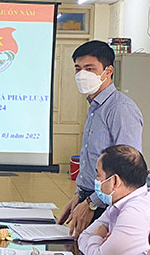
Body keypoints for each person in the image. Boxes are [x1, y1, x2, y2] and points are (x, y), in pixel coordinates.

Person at [57, 40, 143, 238]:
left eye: (89, 68)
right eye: (78, 69)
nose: (82, 75)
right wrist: (80, 195)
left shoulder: (120, 109)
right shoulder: (95, 107)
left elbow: (128, 167)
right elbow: (91, 159)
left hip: (106, 206)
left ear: (108, 71)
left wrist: (91, 203)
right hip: (89, 198)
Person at [78, 145, 150, 255]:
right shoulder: (122, 200)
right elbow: (83, 237)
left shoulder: (136, 213)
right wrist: (98, 245)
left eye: (99, 176)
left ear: (115, 181)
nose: (97, 182)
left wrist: (97, 236)